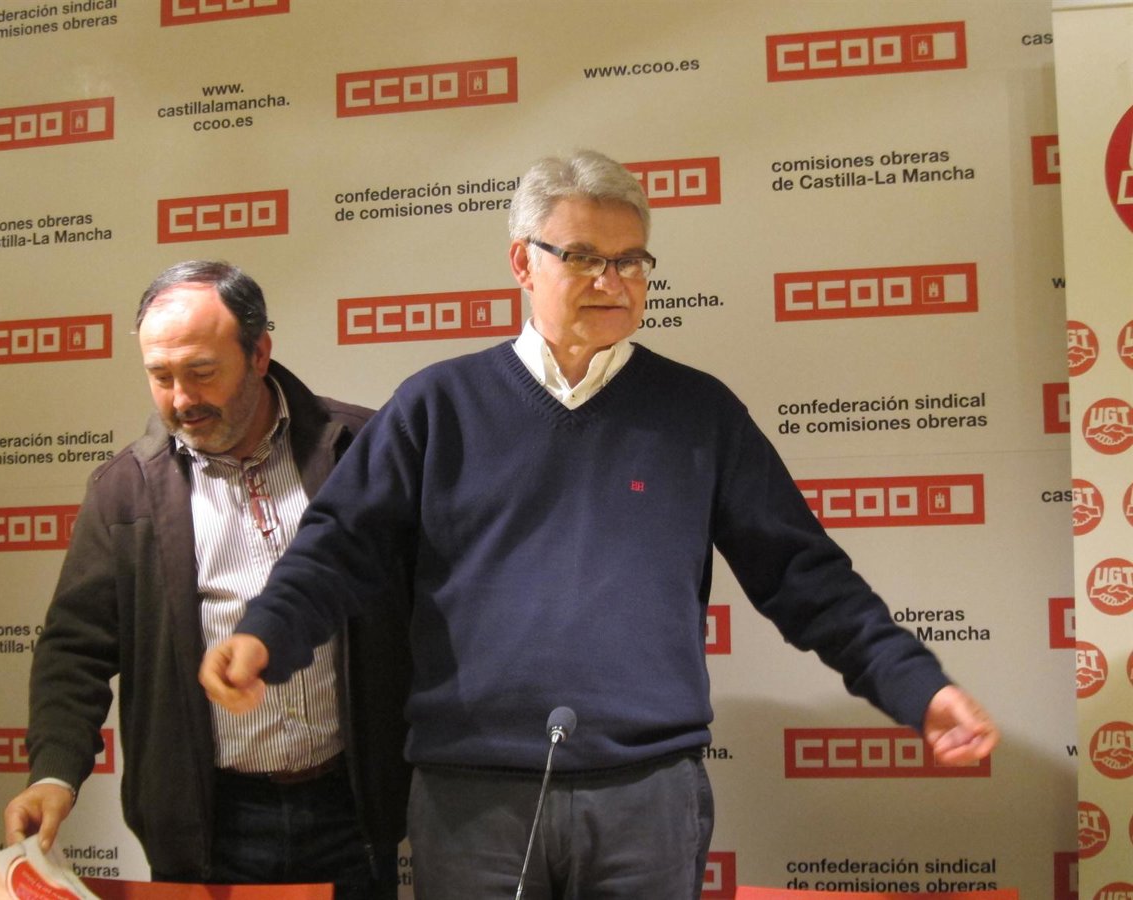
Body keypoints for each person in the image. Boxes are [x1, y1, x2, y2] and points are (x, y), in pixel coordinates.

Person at [199, 151, 999, 900]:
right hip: (473, 800)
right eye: (583, 256)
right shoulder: (437, 406)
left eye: (631, 261)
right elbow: (337, 550)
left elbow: (806, 577)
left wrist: (917, 687)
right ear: (523, 262)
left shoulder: (699, 412)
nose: (612, 282)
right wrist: (267, 635)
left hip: (647, 798)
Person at [3, 260, 410, 898]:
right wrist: (54, 773)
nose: (181, 399)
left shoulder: (359, 447)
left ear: (259, 353)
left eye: (201, 372)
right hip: (208, 823)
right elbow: (74, 650)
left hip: (352, 807)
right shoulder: (124, 490)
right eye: (160, 376)